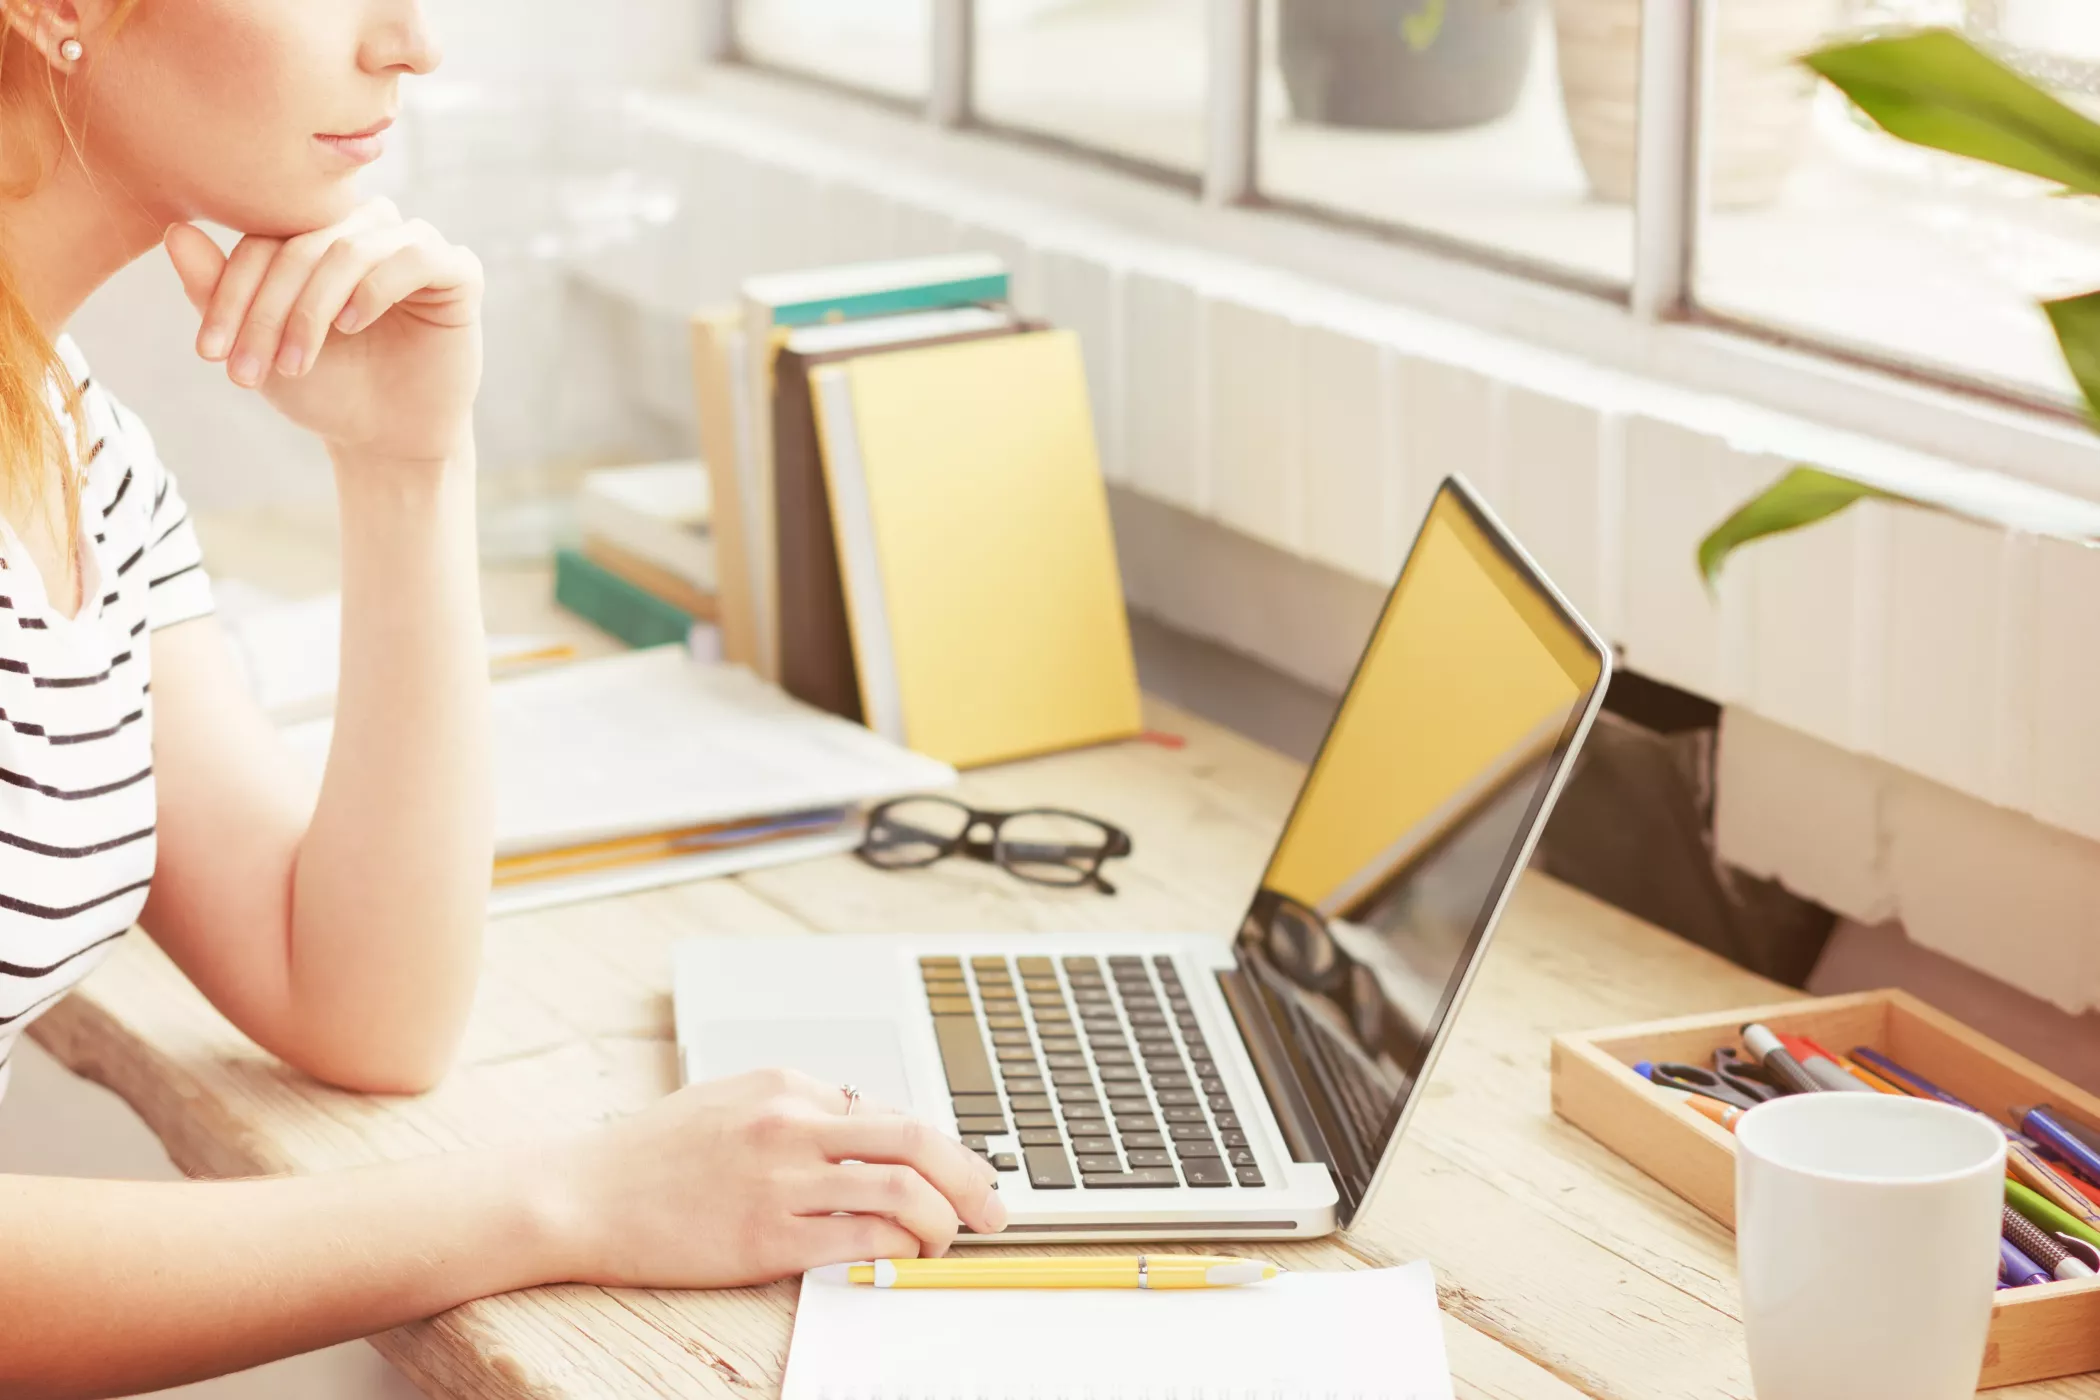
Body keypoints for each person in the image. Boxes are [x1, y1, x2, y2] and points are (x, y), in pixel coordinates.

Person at [0, 2, 1006, 1394]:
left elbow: (357, 1001)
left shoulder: (69, 435)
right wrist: (570, 1201)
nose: (412, 44)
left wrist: (411, 462)